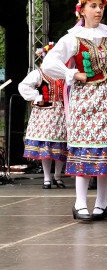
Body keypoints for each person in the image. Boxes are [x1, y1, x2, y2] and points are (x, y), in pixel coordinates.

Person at [42, 0, 107, 222]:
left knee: (106, 150)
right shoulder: (73, 37)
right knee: (84, 149)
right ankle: (80, 202)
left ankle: (102, 202)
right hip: (84, 100)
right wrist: (73, 74)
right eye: (93, 6)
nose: (98, 10)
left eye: (100, 6)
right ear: (82, 10)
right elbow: (49, 63)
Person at [19, 43, 67, 189]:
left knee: (61, 146)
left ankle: (58, 176)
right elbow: (23, 86)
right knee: (47, 146)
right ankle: (47, 177)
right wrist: (37, 96)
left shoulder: (65, 74)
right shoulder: (39, 73)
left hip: (61, 113)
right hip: (44, 115)